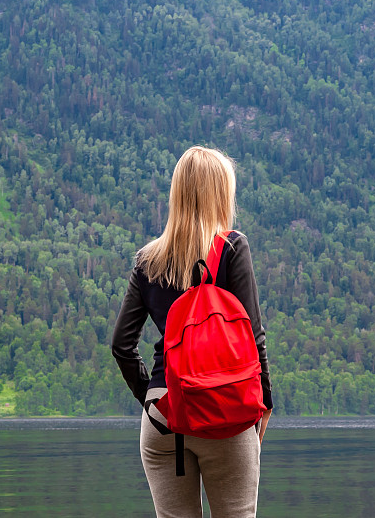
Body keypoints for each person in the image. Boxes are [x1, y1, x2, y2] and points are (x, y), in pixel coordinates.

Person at [111, 146, 273, 518]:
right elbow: (253, 334)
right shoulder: (232, 247)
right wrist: (265, 402)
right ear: (219, 194)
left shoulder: (148, 260)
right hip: (226, 412)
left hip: (164, 418)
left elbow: (122, 345)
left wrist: (155, 400)